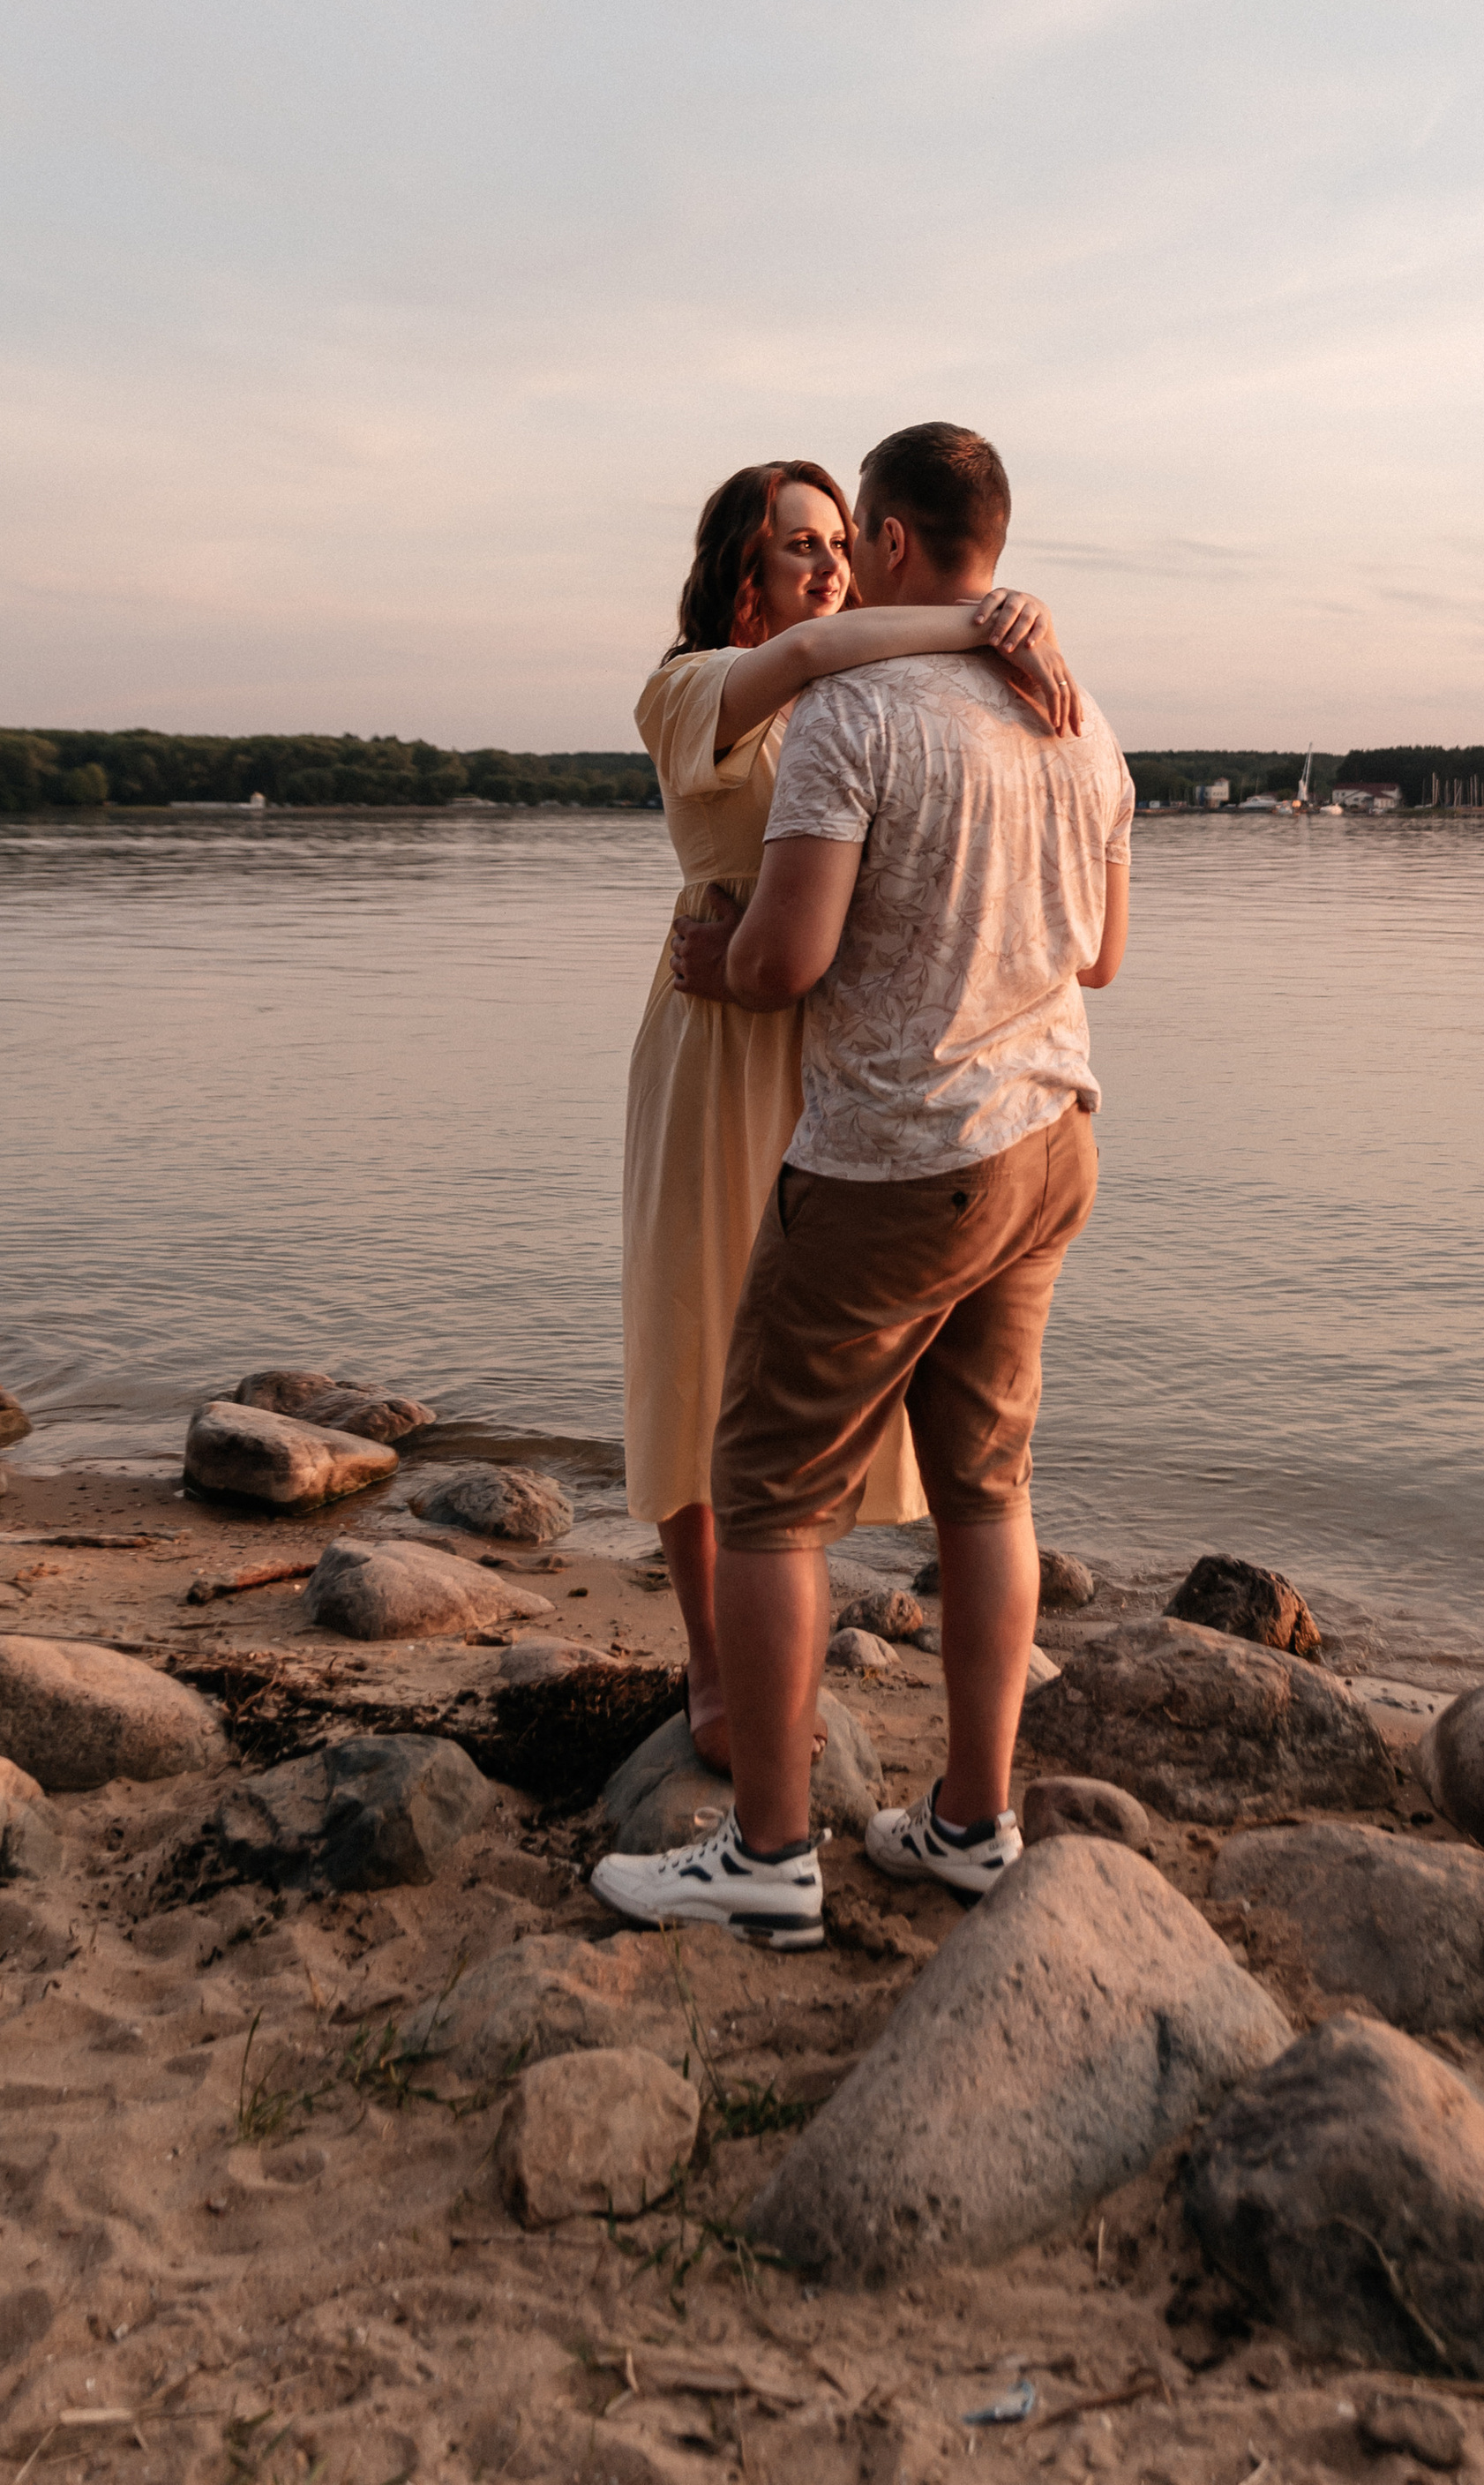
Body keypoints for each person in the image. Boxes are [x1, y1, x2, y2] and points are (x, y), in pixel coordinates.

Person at [595, 421, 1131, 1948]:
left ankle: (779, 1847)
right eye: (793, 546)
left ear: (882, 543)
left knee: (781, 1464)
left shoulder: (873, 711)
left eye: (842, 539)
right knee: (744, 1382)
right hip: (824, 1082)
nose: (825, 564)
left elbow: (792, 950)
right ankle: (915, 1788)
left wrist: (763, 953)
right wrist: (981, 616)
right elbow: (1093, 951)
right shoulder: (733, 687)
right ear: (737, 574)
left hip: (863, 1094)